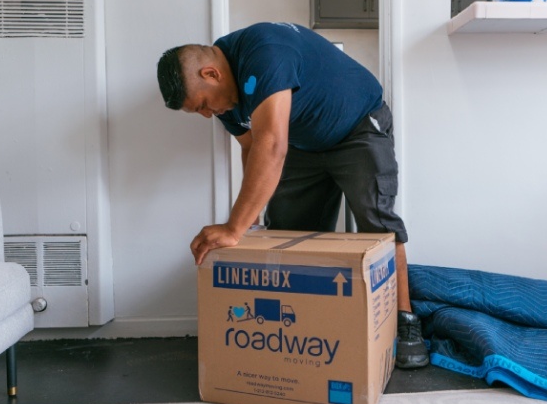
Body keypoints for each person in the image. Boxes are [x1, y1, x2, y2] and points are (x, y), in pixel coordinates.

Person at [156, 22, 428, 369]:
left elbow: (271, 145)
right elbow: (252, 148)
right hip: (304, 145)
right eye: (201, 112)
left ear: (211, 73)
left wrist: (233, 227)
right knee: (286, 231)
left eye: (202, 105)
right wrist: (249, 217)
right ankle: (305, 321)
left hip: (357, 126)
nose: (208, 114)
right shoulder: (227, 102)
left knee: (376, 221)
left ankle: (405, 321)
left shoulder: (264, 51)